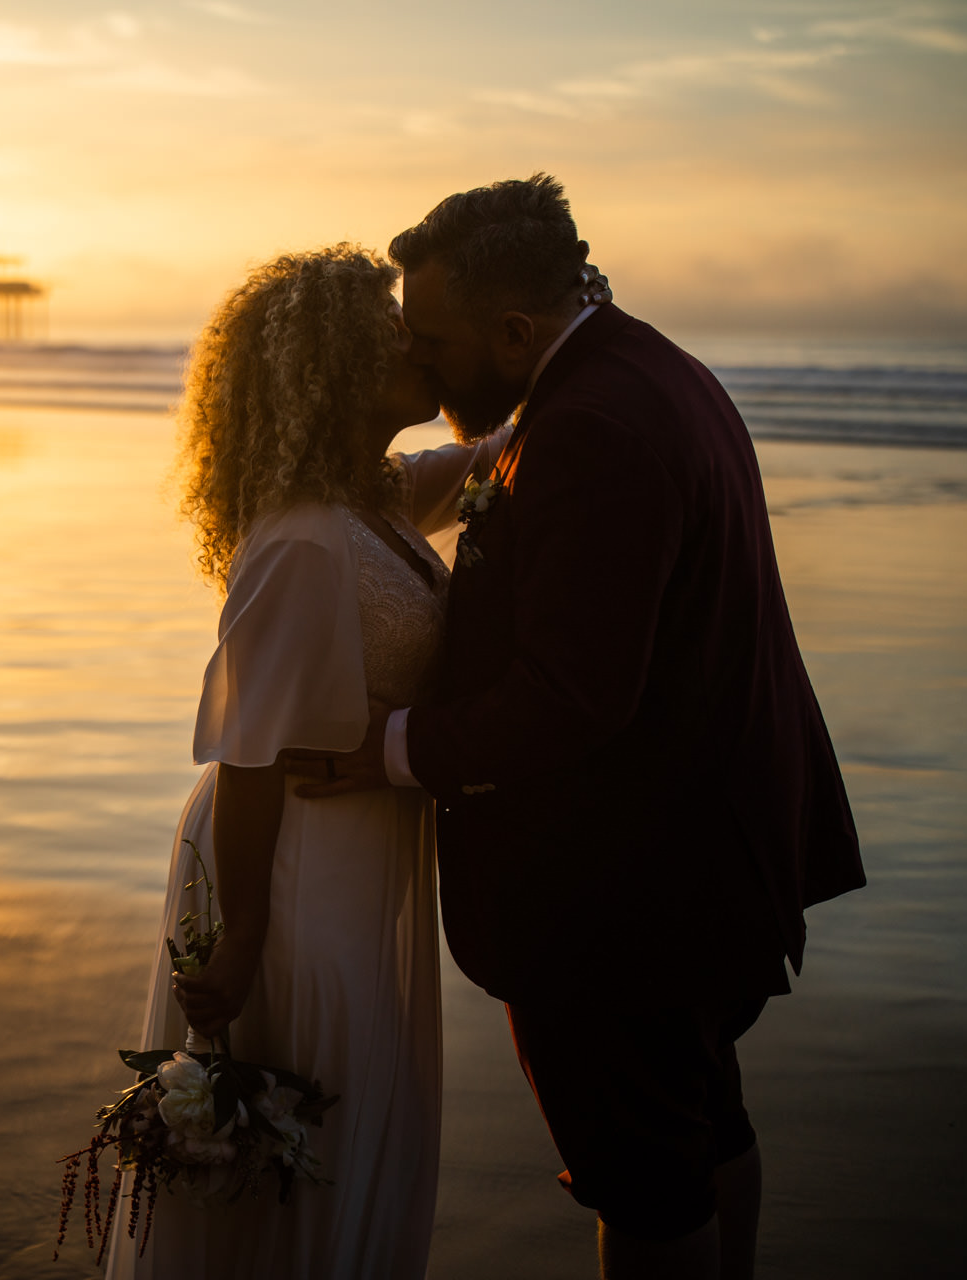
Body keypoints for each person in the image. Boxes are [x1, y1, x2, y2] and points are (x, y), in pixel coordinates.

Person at [285, 175, 866, 1280]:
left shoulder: (593, 427)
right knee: (701, 1125)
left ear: (513, 329)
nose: (422, 361)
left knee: (644, 1176)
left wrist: (392, 746)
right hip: (704, 856)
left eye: (435, 341)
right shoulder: (642, 368)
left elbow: (572, 695)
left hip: (627, 894)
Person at [106, 244, 609, 1279]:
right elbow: (248, 753)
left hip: (355, 849)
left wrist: (570, 324)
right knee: (309, 1119)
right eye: (392, 337)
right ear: (333, 372)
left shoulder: (367, 495)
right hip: (287, 864)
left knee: (344, 1111)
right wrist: (242, 932)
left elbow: (499, 449)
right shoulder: (299, 538)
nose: (416, 345)